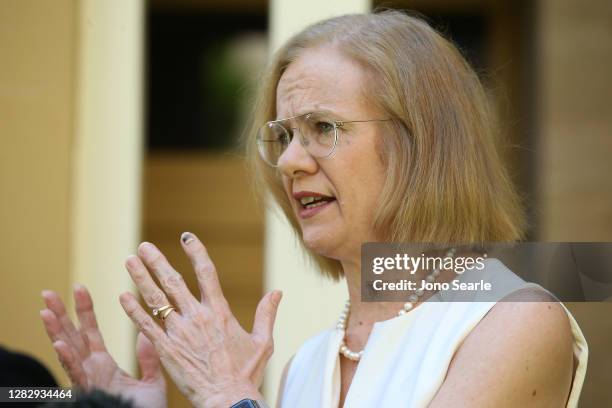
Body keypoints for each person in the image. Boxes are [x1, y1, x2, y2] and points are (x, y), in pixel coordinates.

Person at [39, 10, 587, 408]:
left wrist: (230, 396)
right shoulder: (308, 364)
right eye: (282, 136)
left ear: (422, 144)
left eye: (323, 128)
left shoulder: (513, 319)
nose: (289, 163)